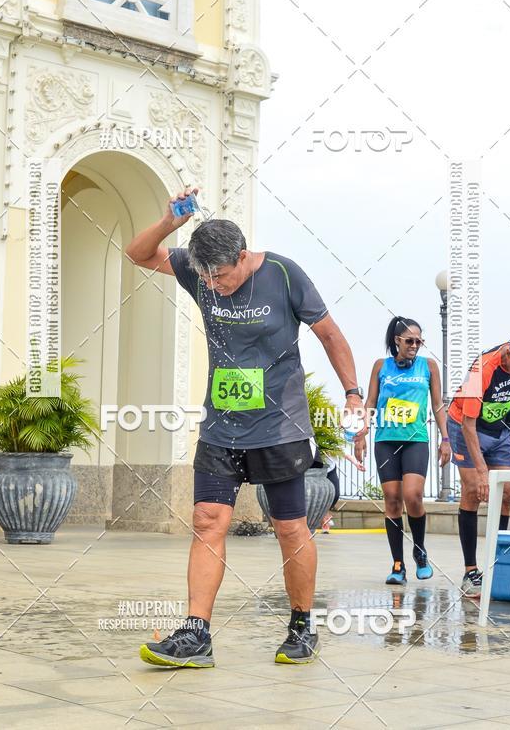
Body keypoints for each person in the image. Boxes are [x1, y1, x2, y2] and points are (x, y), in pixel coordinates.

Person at [126, 188, 364, 667]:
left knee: (289, 527)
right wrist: (170, 221)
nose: (212, 285)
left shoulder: (282, 273)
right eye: (205, 277)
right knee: (207, 521)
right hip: (221, 428)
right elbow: (138, 254)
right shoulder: (199, 271)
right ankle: (197, 635)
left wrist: (354, 395)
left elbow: (330, 334)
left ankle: (301, 626)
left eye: (221, 275)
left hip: (280, 427)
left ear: (243, 256)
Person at [355, 316, 450, 585]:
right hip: (386, 440)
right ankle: (398, 564)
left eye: (419, 341)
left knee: (413, 495)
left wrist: (446, 438)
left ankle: (419, 551)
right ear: (397, 341)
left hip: (415, 439)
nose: (415, 345)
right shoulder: (380, 367)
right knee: (393, 500)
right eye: (410, 341)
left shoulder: (428, 366)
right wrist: (360, 434)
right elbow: (371, 403)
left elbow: (438, 406)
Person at [447, 337, 510, 598]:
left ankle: (497, 564)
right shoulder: (482, 371)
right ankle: (471, 572)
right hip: (466, 427)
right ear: (508, 354)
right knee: (473, 491)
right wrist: (481, 473)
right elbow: (467, 425)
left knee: (507, 494)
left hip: (498, 428)